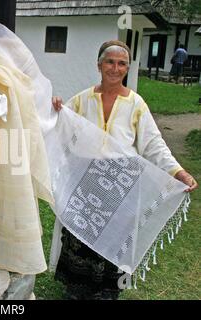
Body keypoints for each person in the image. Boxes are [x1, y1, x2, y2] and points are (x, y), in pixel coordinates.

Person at [51, 40, 198, 300]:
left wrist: (179, 173)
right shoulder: (82, 100)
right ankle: (75, 289)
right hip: (86, 182)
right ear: (99, 65)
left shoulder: (136, 104)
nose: (115, 68)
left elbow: (153, 144)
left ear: (127, 68)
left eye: (121, 64)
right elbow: (58, 123)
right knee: (79, 238)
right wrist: (53, 106)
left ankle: (106, 292)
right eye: (110, 62)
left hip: (122, 183)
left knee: (113, 237)